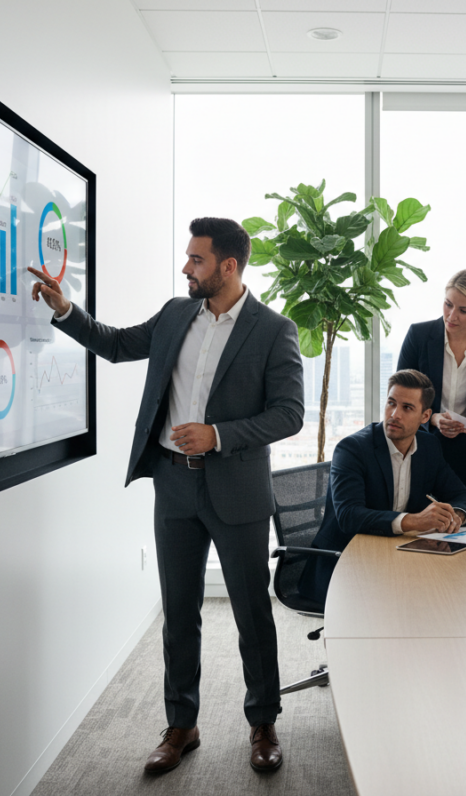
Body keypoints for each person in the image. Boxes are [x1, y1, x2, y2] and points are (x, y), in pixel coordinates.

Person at [28, 217, 305, 774]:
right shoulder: (177, 314)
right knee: (179, 612)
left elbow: (289, 414)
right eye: (187, 258)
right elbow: (115, 344)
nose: (186, 268)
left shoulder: (274, 329)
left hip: (237, 487)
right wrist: (65, 311)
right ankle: (182, 724)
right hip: (175, 484)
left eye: (196, 260)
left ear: (229, 266)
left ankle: (263, 723)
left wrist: (219, 435)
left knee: (253, 613)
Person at [300, 369, 466, 605]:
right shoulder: (352, 449)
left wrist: (454, 516)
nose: (394, 414)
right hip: (345, 562)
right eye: (391, 403)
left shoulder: (429, 446)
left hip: (396, 557)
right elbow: (349, 516)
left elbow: (464, 496)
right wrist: (415, 520)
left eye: (407, 408)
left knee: (453, 595)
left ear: (425, 416)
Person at [396, 269, 466, 512]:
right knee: (422, 530)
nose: (452, 315)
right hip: (423, 450)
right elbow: (402, 396)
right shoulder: (419, 335)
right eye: (448, 304)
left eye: (463, 310)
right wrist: (433, 418)